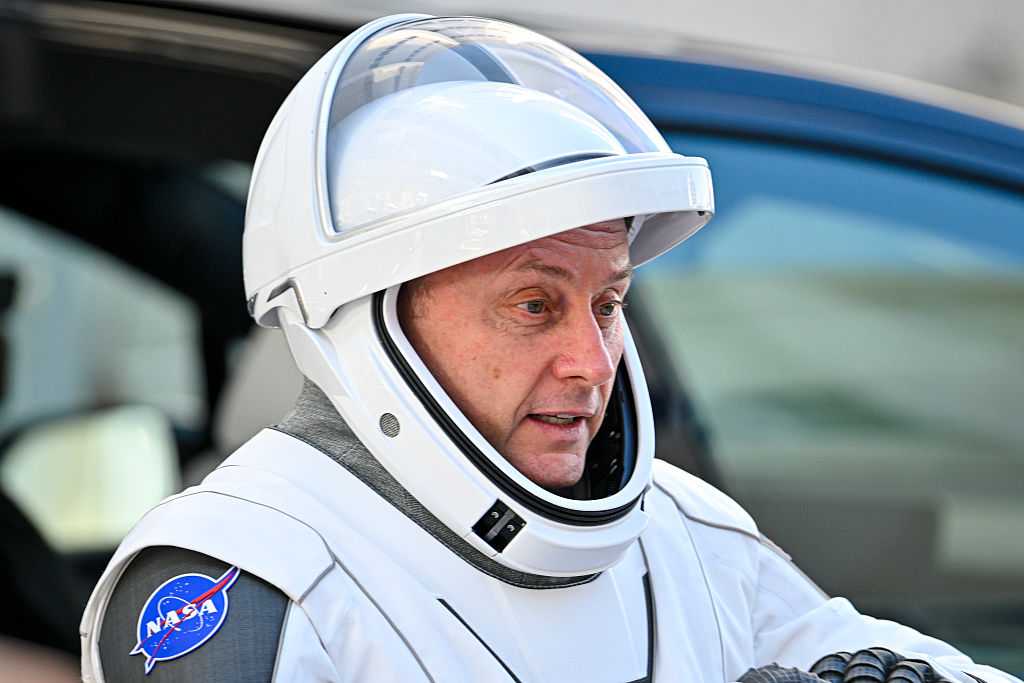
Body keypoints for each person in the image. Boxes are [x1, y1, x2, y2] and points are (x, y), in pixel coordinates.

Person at [79, 14, 1019, 683]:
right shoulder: (243, 586)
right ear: (372, 318)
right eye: (534, 304)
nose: (592, 359)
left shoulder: (687, 537)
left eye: (607, 302)